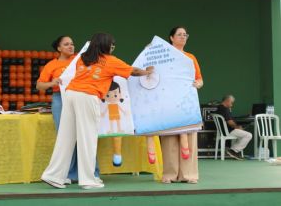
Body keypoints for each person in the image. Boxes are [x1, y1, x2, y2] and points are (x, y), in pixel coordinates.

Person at [41, 32, 153, 189]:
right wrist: (147, 72)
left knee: (65, 138)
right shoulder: (110, 60)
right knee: (87, 138)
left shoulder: (83, 58)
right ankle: (87, 180)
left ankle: (53, 175)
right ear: (106, 45)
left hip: (70, 94)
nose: (113, 47)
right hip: (87, 97)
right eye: (112, 45)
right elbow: (132, 71)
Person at [36, 36, 100, 183]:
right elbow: (39, 86)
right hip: (60, 98)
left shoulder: (81, 60)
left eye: (72, 44)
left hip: (81, 96)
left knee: (86, 134)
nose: (70, 46)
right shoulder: (51, 65)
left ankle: (92, 173)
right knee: (65, 136)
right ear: (58, 48)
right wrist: (52, 83)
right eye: (66, 44)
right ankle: (68, 174)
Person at [161, 26, 203, 184]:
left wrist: (197, 84)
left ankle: (189, 174)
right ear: (171, 37)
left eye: (185, 34)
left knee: (190, 137)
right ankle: (170, 174)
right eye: (179, 34)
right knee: (170, 137)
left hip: (187, 102)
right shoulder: (163, 55)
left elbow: (199, 79)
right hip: (168, 101)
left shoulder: (190, 57)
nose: (183, 37)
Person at [215, 95, 252, 160]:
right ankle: (233, 151)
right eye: (231, 103)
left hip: (223, 131)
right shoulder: (225, 109)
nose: (232, 105)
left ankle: (233, 151)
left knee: (242, 134)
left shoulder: (219, 108)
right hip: (229, 131)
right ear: (227, 101)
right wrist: (237, 127)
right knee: (248, 135)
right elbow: (230, 122)